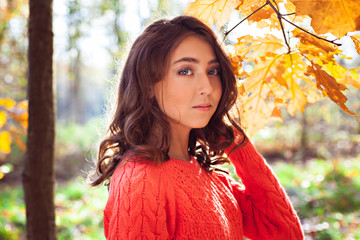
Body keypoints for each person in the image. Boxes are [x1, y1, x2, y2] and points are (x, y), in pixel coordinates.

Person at [91, 15, 304, 240]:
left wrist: (235, 142)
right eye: (186, 71)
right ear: (148, 84)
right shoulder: (141, 183)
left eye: (213, 71)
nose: (207, 87)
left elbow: (285, 233)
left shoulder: (209, 175)